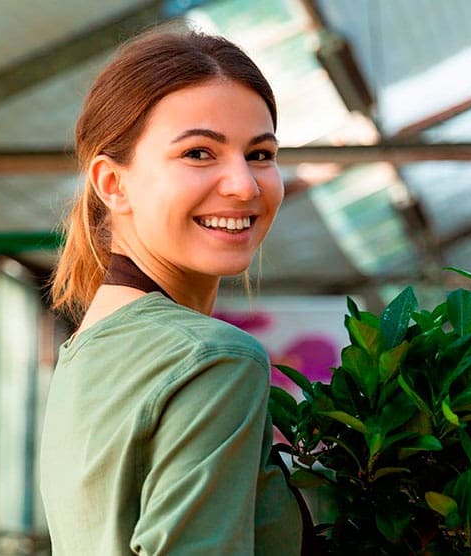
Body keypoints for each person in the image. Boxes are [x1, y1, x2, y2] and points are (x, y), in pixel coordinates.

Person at [39, 29, 305, 555]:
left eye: (260, 153)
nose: (244, 185)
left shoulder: (88, 354)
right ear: (112, 184)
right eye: (199, 152)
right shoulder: (212, 358)